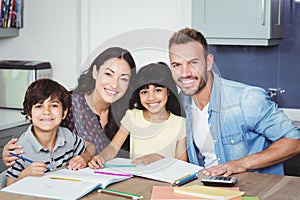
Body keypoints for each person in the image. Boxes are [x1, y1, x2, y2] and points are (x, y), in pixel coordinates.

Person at [168, 27, 300, 176]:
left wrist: (241, 164)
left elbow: (294, 141)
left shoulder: (246, 99)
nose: (185, 73)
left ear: (209, 62)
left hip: (253, 192)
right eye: (177, 65)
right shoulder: (182, 101)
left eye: (193, 63)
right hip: (207, 190)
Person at [2, 47, 136, 167]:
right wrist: (13, 152)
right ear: (95, 72)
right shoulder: (67, 104)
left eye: (123, 79)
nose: (114, 85)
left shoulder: (127, 112)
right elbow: (37, 134)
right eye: (108, 74)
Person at [88, 62, 187, 168]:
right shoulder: (132, 116)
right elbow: (113, 148)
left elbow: (182, 164)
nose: (151, 98)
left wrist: (160, 158)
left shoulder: (180, 123)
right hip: (136, 180)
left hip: (165, 181)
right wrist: (101, 157)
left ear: (168, 92)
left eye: (158, 90)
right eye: (144, 92)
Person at [6, 79, 96, 185]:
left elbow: (91, 147)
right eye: (39, 106)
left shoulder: (67, 137)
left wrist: (84, 158)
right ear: (29, 114)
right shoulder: (20, 149)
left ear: (64, 113)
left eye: (54, 105)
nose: (47, 112)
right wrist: (25, 175)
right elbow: (9, 187)